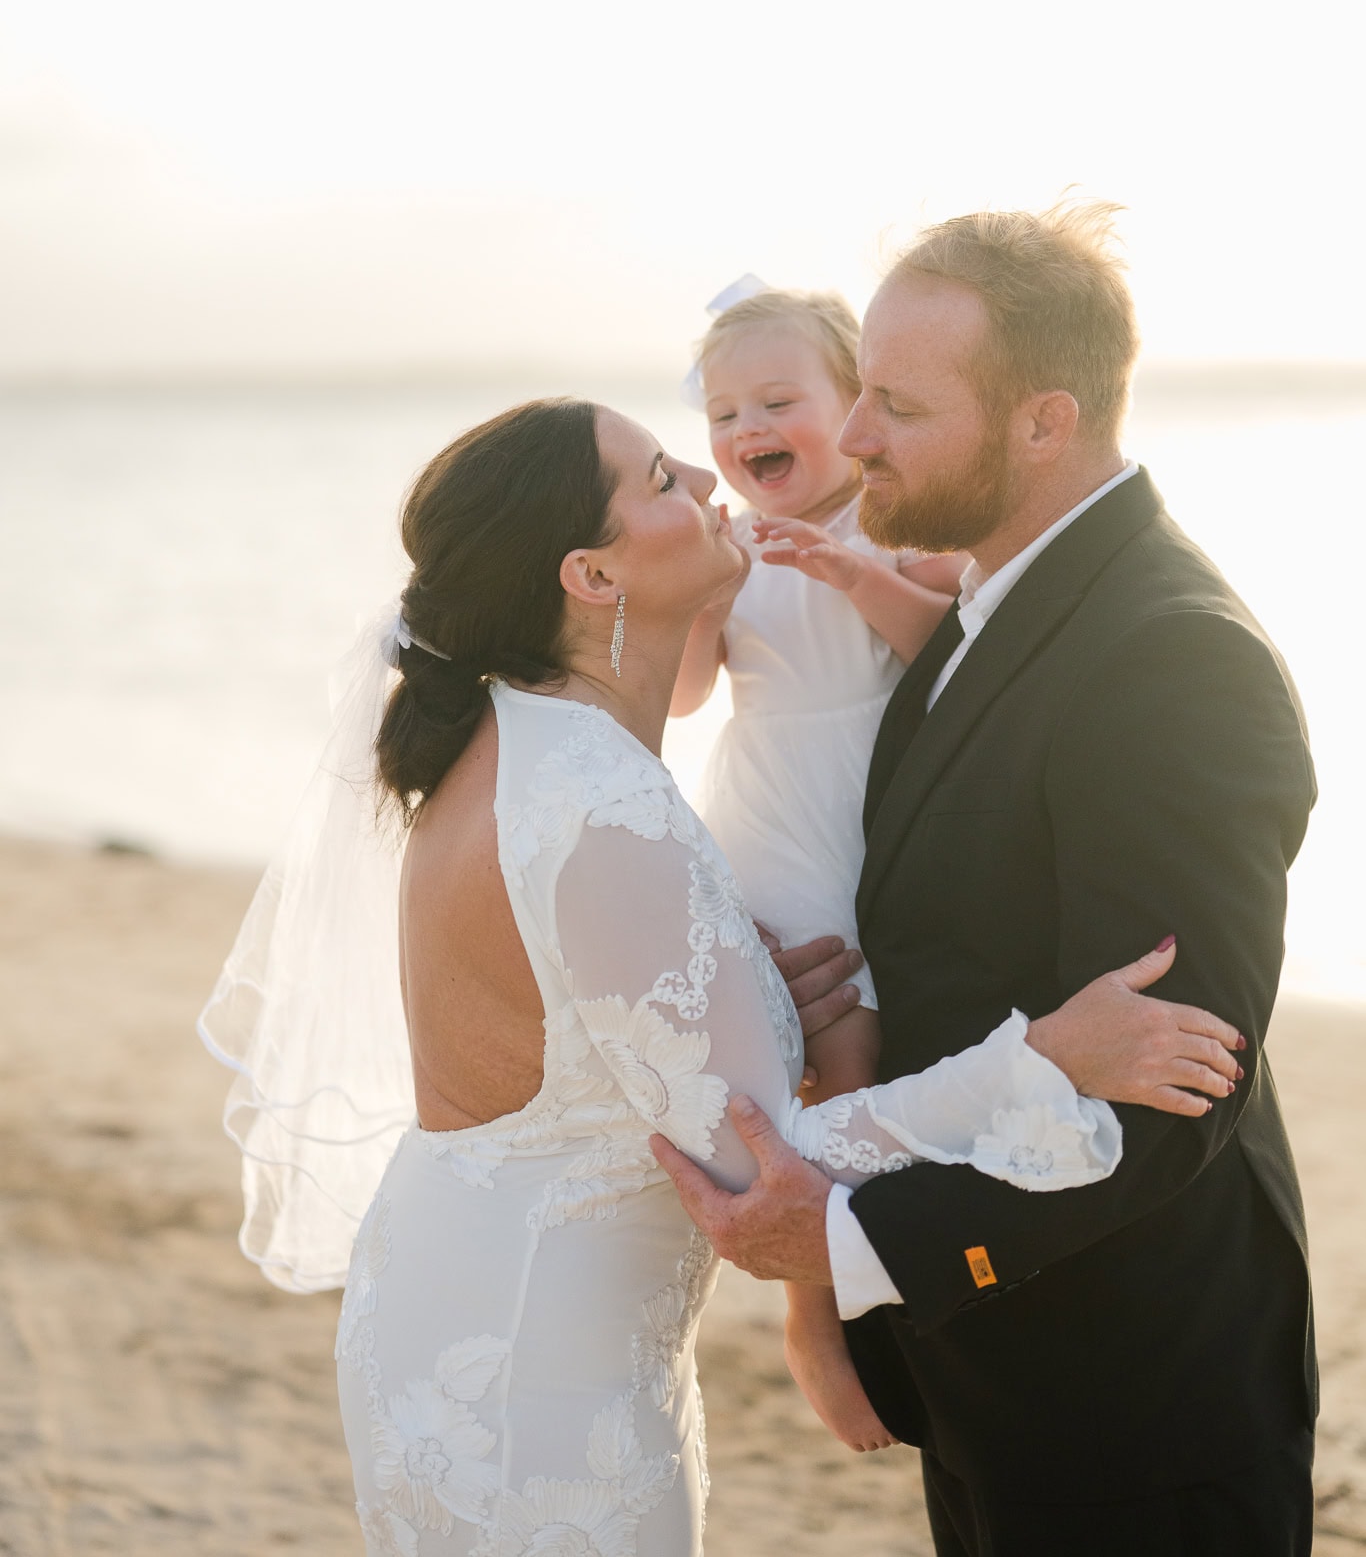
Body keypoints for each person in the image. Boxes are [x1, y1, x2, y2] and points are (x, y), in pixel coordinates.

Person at [200, 396, 1245, 1557]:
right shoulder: (601, 803)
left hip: (468, 1306)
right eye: (657, 477)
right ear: (593, 575)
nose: (704, 474)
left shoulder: (516, 741)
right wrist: (1042, 1059)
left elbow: (571, 1032)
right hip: (533, 1366)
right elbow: (764, 1167)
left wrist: (749, 997)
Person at [653, 205, 1317, 1557]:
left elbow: (1174, 1088)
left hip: (1129, 1395)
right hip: (989, 1365)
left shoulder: (1169, 658)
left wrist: (853, 1243)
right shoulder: (976, 608)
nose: (847, 442)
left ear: (1040, 423)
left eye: (893, 405)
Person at [670, 280, 962, 1444]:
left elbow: (944, 644)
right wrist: (706, 599)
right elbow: (689, 692)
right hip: (774, 817)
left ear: (852, 405)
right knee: (831, 1054)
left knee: (899, 1052)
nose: (746, 431)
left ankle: (899, 1281)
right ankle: (815, 1310)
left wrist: (847, 569)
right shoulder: (732, 548)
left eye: (777, 400)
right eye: (723, 412)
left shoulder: (898, 522)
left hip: (879, 814)